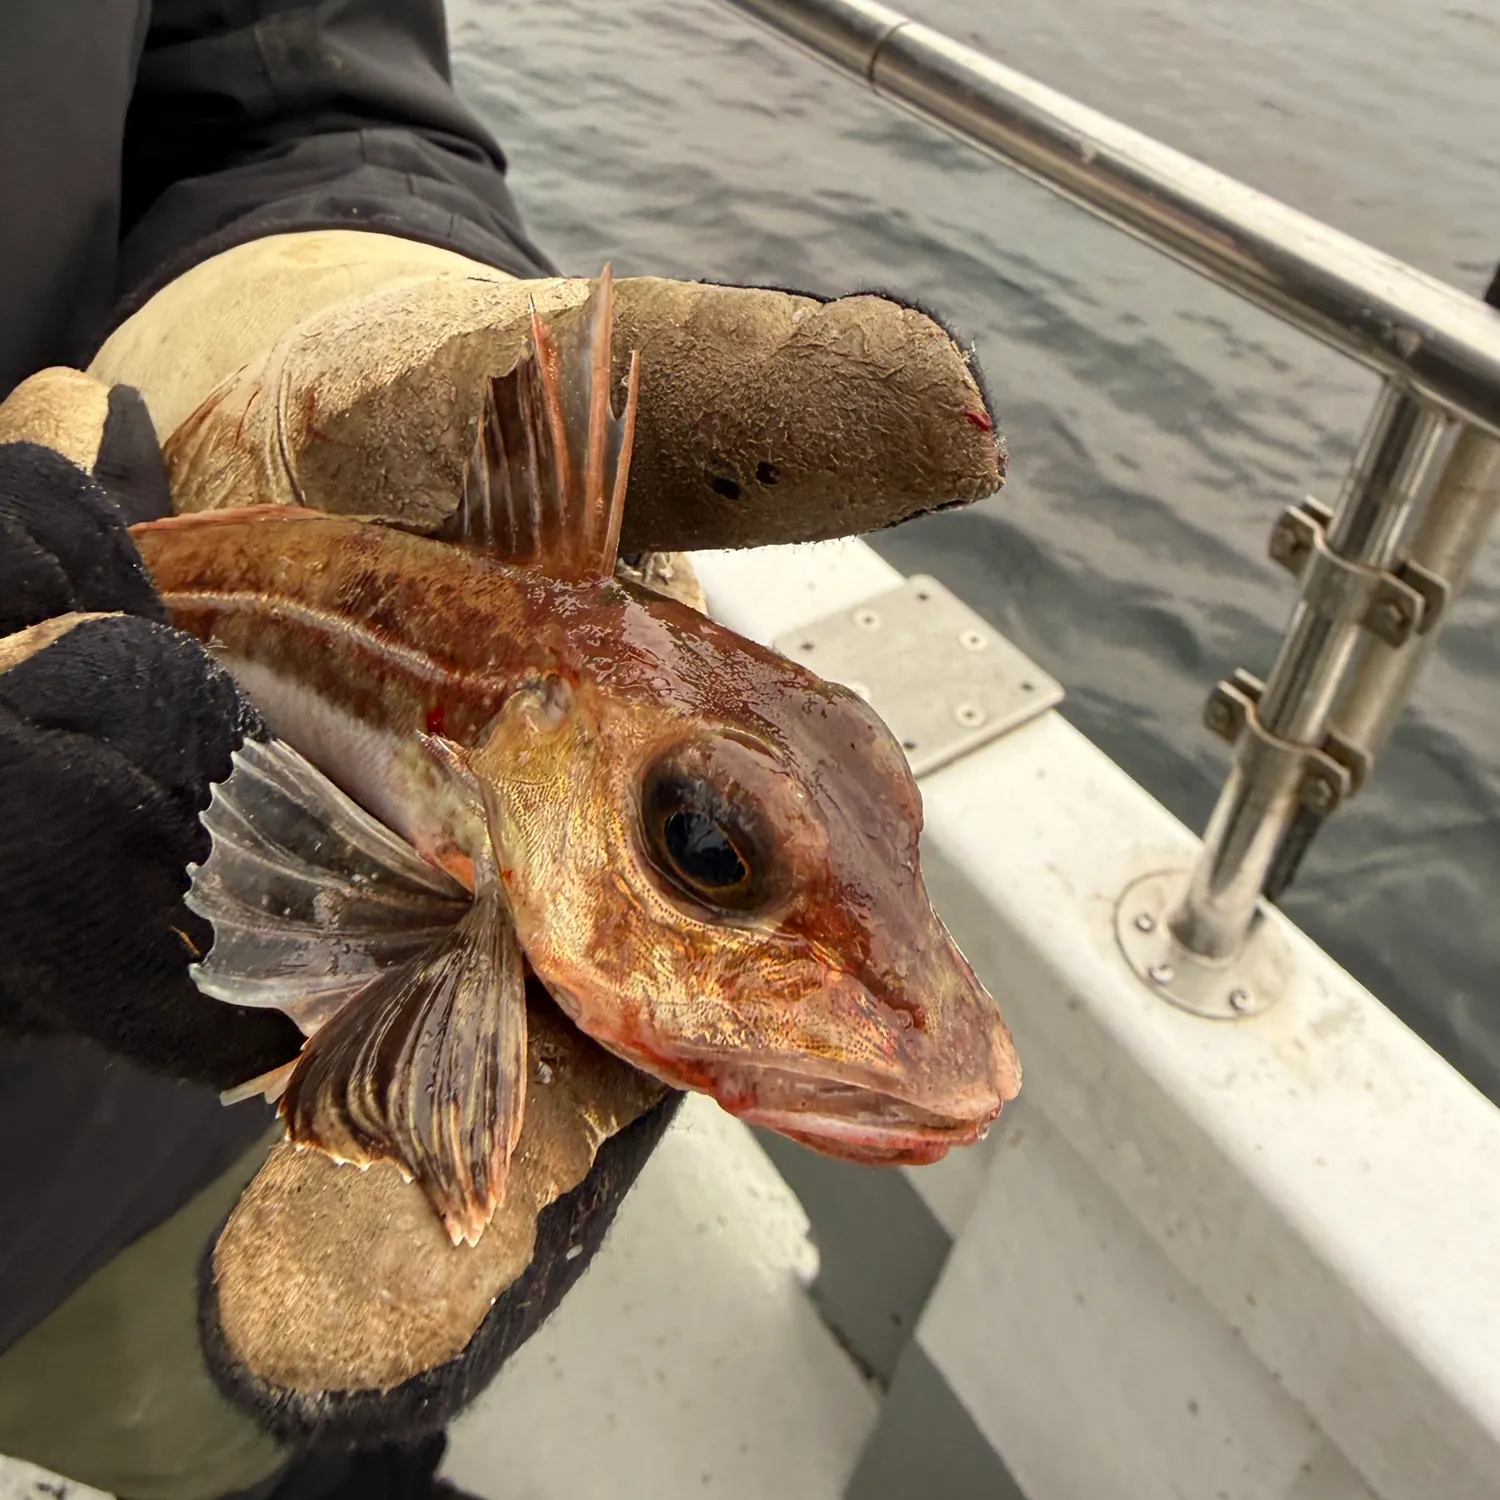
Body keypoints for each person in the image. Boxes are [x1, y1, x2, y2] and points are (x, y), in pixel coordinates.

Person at [0, 4, 1004, 1498]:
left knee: (284, 1412)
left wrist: (326, 282)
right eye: (708, 855)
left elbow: (290, 82)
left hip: (109, 1182)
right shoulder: (448, 902)